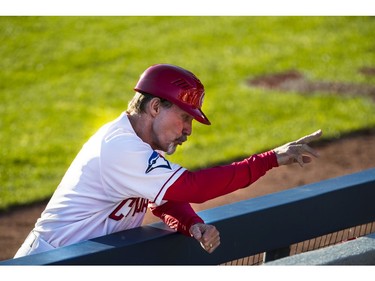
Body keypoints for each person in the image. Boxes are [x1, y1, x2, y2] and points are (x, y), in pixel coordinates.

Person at [14, 63, 322, 258]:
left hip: (79, 259)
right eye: (185, 117)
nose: (188, 130)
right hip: (48, 263)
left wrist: (190, 223)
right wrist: (270, 159)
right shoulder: (120, 148)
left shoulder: (139, 144)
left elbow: (161, 199)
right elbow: (194, 187)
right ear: (156, 107)